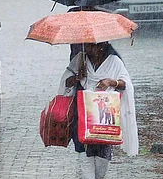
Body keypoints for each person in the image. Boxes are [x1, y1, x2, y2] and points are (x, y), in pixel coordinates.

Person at [57, 41, 138, 179]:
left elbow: (126, 84)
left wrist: (111, 82)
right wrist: (77, 77)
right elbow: (65, 82)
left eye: (94, 46)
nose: (91, 49)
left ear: (103, 45)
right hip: (82, 119)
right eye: (88, 46)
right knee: (85, 161)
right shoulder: (80, 60)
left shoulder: (114, 62)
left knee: (101, 167)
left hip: (105, 122)